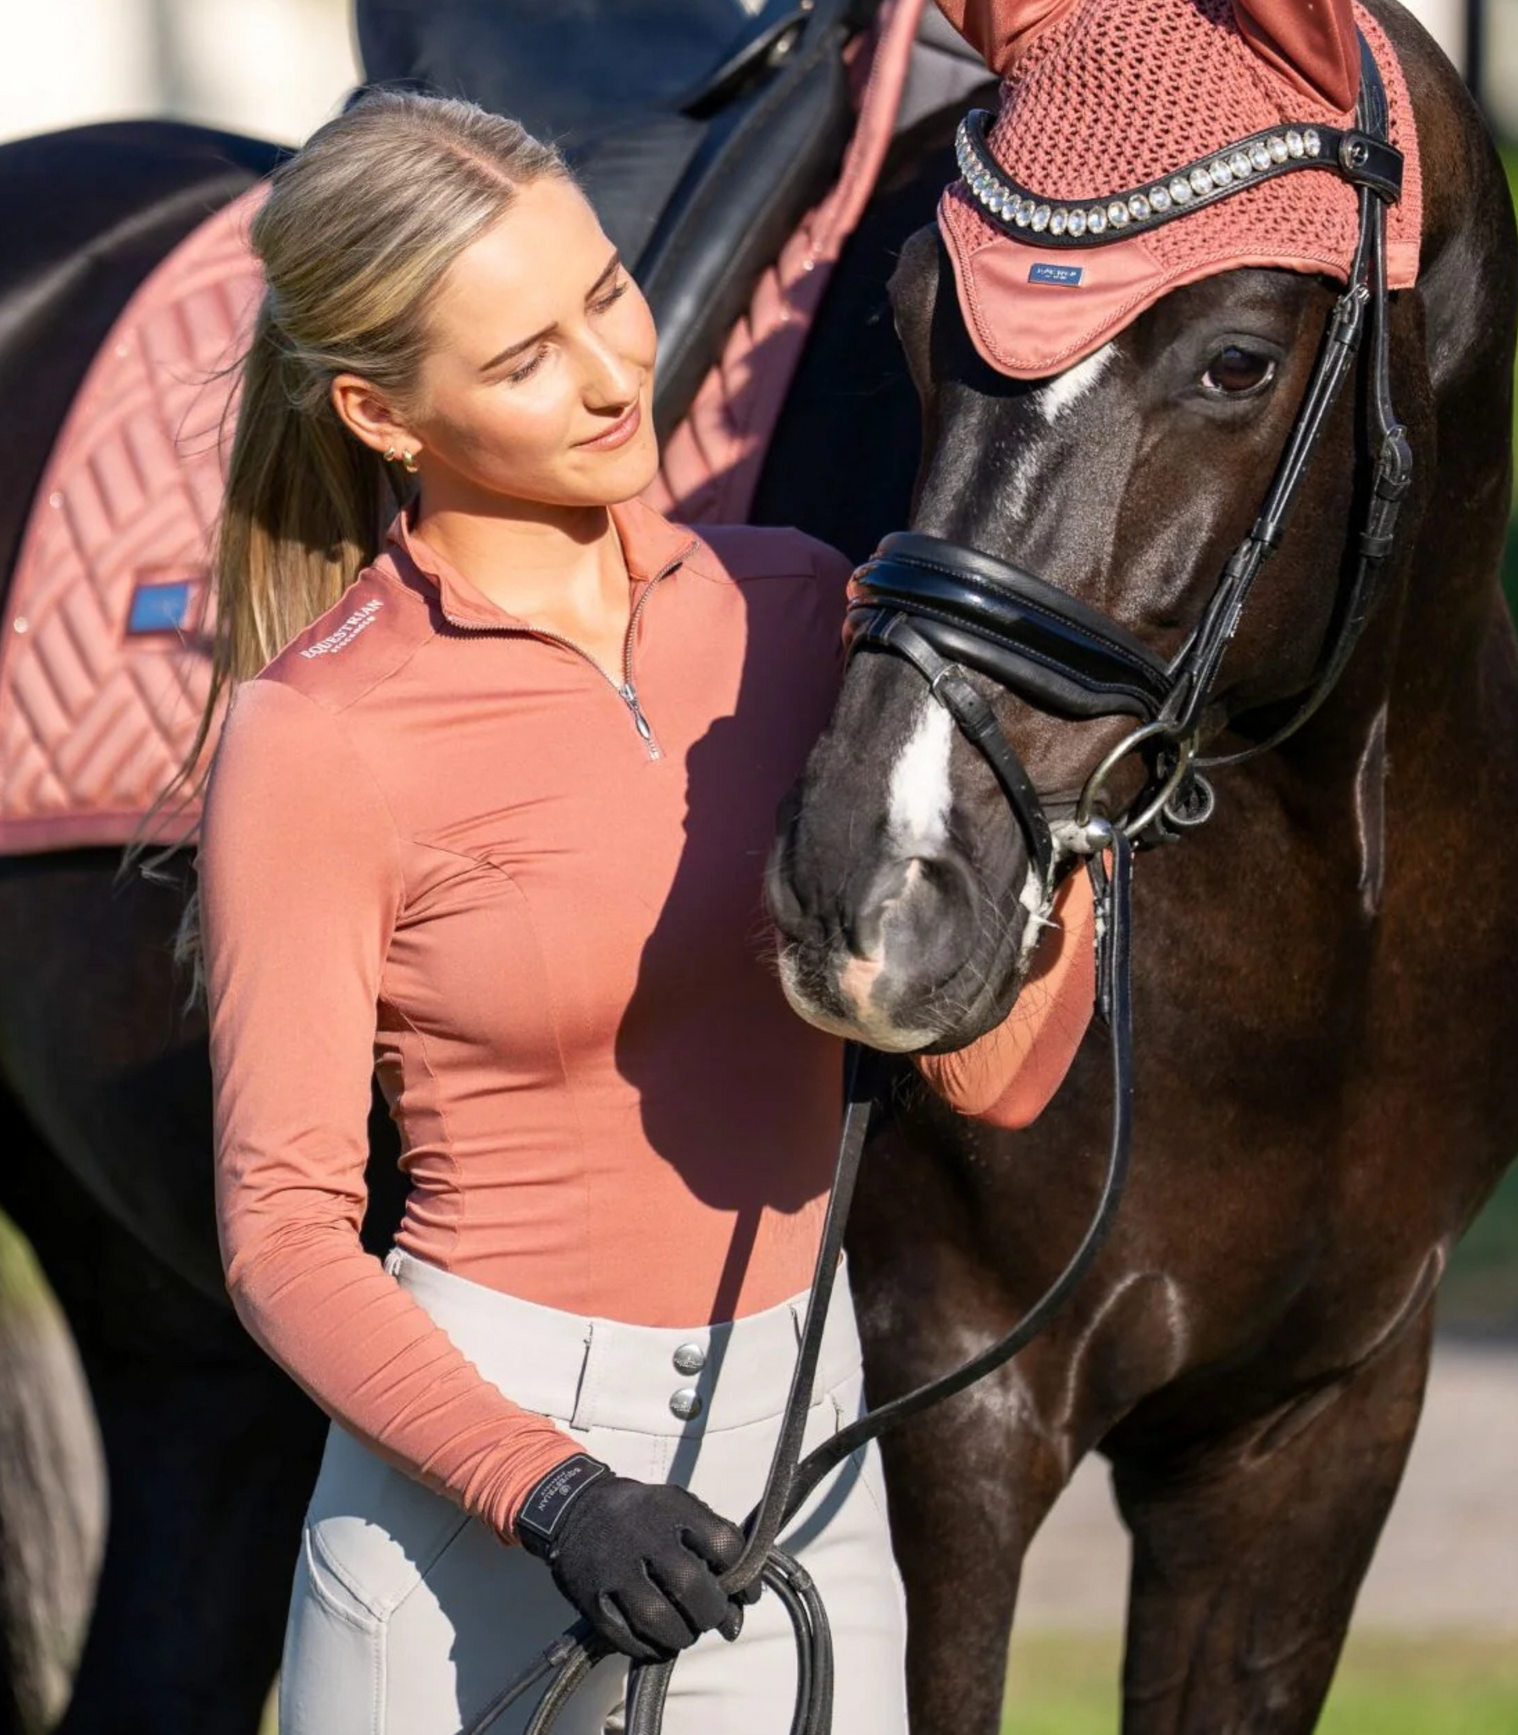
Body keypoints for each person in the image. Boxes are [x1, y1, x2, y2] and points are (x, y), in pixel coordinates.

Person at [190, 91, 1095, 1734]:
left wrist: (1073, 789)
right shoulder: (321, 733)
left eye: (609, 294)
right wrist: (552, 1495)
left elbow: (995, 1078)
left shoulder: (804, 608)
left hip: (802, 1465)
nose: (615, 374)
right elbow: (282, 1233)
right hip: (476, 1500)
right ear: (380, 416)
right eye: (525, 357)